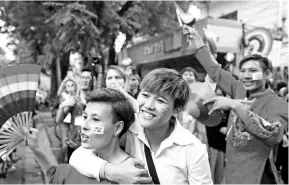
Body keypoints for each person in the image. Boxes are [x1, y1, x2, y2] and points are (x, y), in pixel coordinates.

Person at [183, 25, 288, 184]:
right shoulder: (240, 88)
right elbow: (215, 71)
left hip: (259, 177)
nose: (246, 76)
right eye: (243, 71)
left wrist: (235, 105)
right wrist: (197, 40)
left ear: (267, 74)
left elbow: (274, 134)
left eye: (253, 71)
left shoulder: (277, 103)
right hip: (232, 172)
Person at [69, 68, 213, 184]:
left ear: (176, 110)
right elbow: (78, 156)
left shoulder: (193, 149)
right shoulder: (128, 128)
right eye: (145, 95)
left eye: (160, 100)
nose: (148, 106)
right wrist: (112, 172)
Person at [24, 88, 136, 184]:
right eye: (85, 117)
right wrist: (35, 149)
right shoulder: (81, 163)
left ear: (117, 128)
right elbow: (54, 176)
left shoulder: (134, 175)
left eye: (95, 119)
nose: (84, 126)